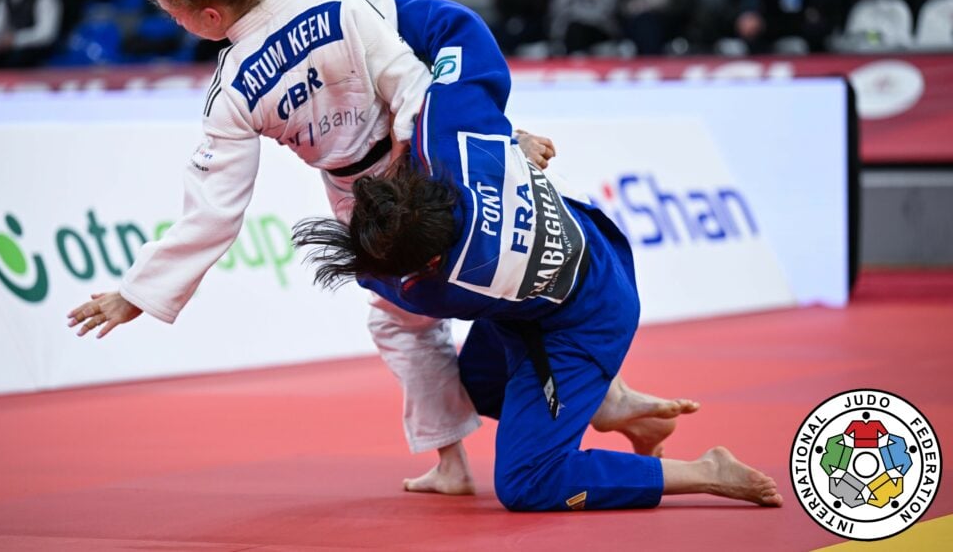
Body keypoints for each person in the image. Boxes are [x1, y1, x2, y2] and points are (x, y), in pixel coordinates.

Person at [66, 0, 562, 496]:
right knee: (503, 270)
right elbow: (414, 86)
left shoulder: (232, 90)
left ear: (210, 15)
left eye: (178, 16)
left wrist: (135, 293)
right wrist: (484, 148)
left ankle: (454, 463)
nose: (178, 26)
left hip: (364, 197)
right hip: (428, 154)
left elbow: (214, 215)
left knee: (404, 319)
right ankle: (591, 386)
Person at [291, 47, 785, 512]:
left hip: (585, 315)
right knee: (479, 387)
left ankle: (704, 470)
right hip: (579, 256)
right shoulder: (452, 157)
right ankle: (609, 401)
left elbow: (377, 279)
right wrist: (512, 143)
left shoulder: (436, 287)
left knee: (527, 479)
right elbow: (457, 32)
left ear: (428, 261)